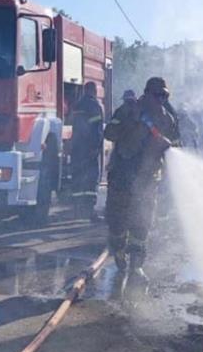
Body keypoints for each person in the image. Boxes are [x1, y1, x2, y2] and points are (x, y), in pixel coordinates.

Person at [104, 76, 182, 288]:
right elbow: (109, 132)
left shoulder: (167, 119)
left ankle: (136, 266)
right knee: (117, 222)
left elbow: (175, 147)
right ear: (146, 93)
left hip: (148, 180)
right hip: (122, 177)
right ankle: (119, 253)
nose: (161, 100)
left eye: (164, 96)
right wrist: (132, 122)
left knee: (142, 225)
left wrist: (168, 148)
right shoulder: (127, 110)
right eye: (157, 95)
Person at [68, 80, 104, 220]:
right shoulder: (94, 105)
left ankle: (77, 211)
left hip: (77, 148)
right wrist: (95, 147)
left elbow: (73, 126)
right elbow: (97, 129)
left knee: (77, 177)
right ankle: (89, 212)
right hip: (89, 148)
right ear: (94, 91)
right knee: (90, 179)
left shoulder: (77, 105)